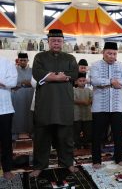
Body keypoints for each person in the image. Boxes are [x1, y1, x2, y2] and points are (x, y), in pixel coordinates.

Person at [30, 29, 79, 177]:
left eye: (59, 41)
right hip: (45, 105)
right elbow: (37, 74)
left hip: (64, 104)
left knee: (65, 138)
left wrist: (52, 76)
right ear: (48, 42)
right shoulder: (40, 57)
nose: (56, 43)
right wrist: (60, 77)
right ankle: (40, 165)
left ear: (63, 42)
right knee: (42, 138)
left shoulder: (70, 57)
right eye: (53, 41)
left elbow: (75, 74)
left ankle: (68, 163)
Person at [90, 42, 122, 169]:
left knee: (118, 134)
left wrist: (108, 83)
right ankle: (96, 160)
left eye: (114, 54)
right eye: (109, 53)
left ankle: (119, 158)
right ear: (103, 52)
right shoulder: (95, 65)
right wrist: (111, 82)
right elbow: (94, 81)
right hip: (100, 108)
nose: (112, 56)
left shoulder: (120, 66)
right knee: (97, 135)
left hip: (117, 107)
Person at [0, 57, 17, 180]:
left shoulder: (7, 62)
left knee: (6, 141)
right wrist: (3, 81)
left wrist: (3, 82)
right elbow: (6, 82)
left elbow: (13, 82)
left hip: (4, 108)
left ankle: (7, 169)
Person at [11, 53, 34, 139]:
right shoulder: (13, 70)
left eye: (25, 60)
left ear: (27, 61)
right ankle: (16, 132)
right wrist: (24, 83)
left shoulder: (33, 70)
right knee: (17, 114)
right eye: (21, 60)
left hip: (30, 95)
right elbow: (12, 84)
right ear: (18, 60)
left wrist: (21, 84)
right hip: (17, 96)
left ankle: (30, 131)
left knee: (30, 114)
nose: (23, 62)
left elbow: (34, 83)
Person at [73, 73, 93, 149]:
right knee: (76, 130)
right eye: (80, 81)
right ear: (76, 82)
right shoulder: (73, 90)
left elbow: (92, 98)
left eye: (83, 80)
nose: (82, 82)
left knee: (87, 130)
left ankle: (86, 143)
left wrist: (89, 101)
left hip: (87, 114)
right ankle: (77, 144)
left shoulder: (89, 90)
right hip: (76, 114)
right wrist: (83, 102)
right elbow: (72, 99)